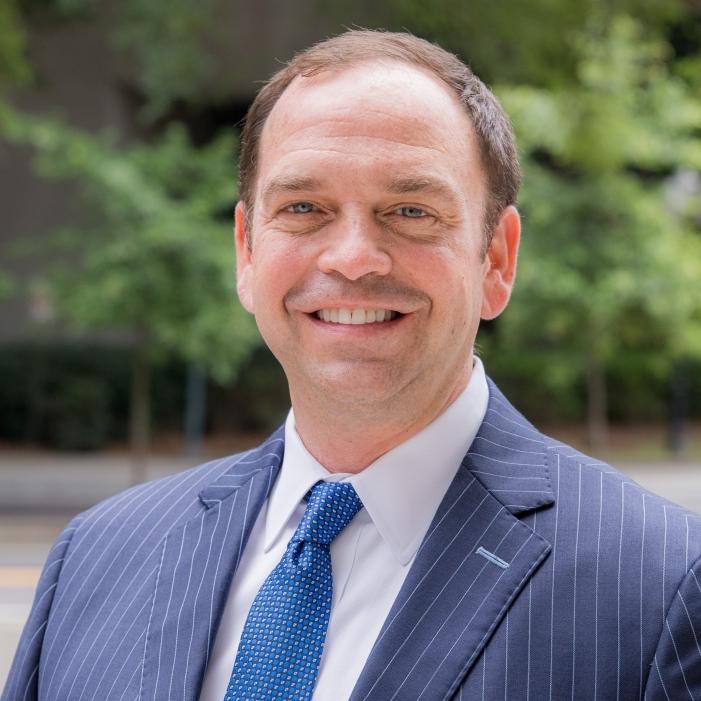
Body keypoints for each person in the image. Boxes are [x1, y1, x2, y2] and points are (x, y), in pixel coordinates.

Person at [3, 29, 701, 701]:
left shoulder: (661, 584)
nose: (353, 257)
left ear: (495, 260)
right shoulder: (96, 556)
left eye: (410, 210)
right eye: (304, 207)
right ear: (246, 251)